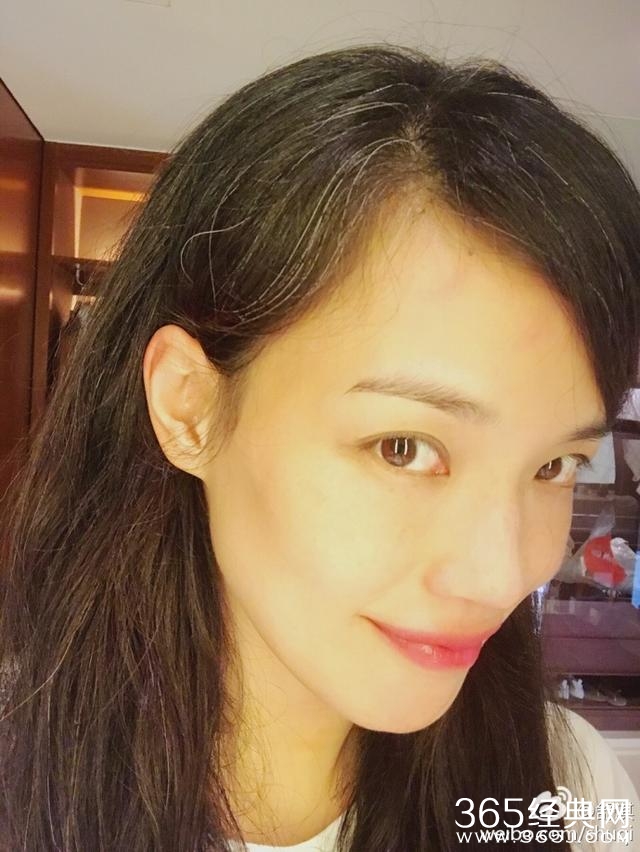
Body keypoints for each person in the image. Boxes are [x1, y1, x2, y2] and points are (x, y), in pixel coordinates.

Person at [0, 42, 639, 852]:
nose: (501, 575)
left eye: (553, 466)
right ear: (190, 407)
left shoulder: (568, 795)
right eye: (403, 447)